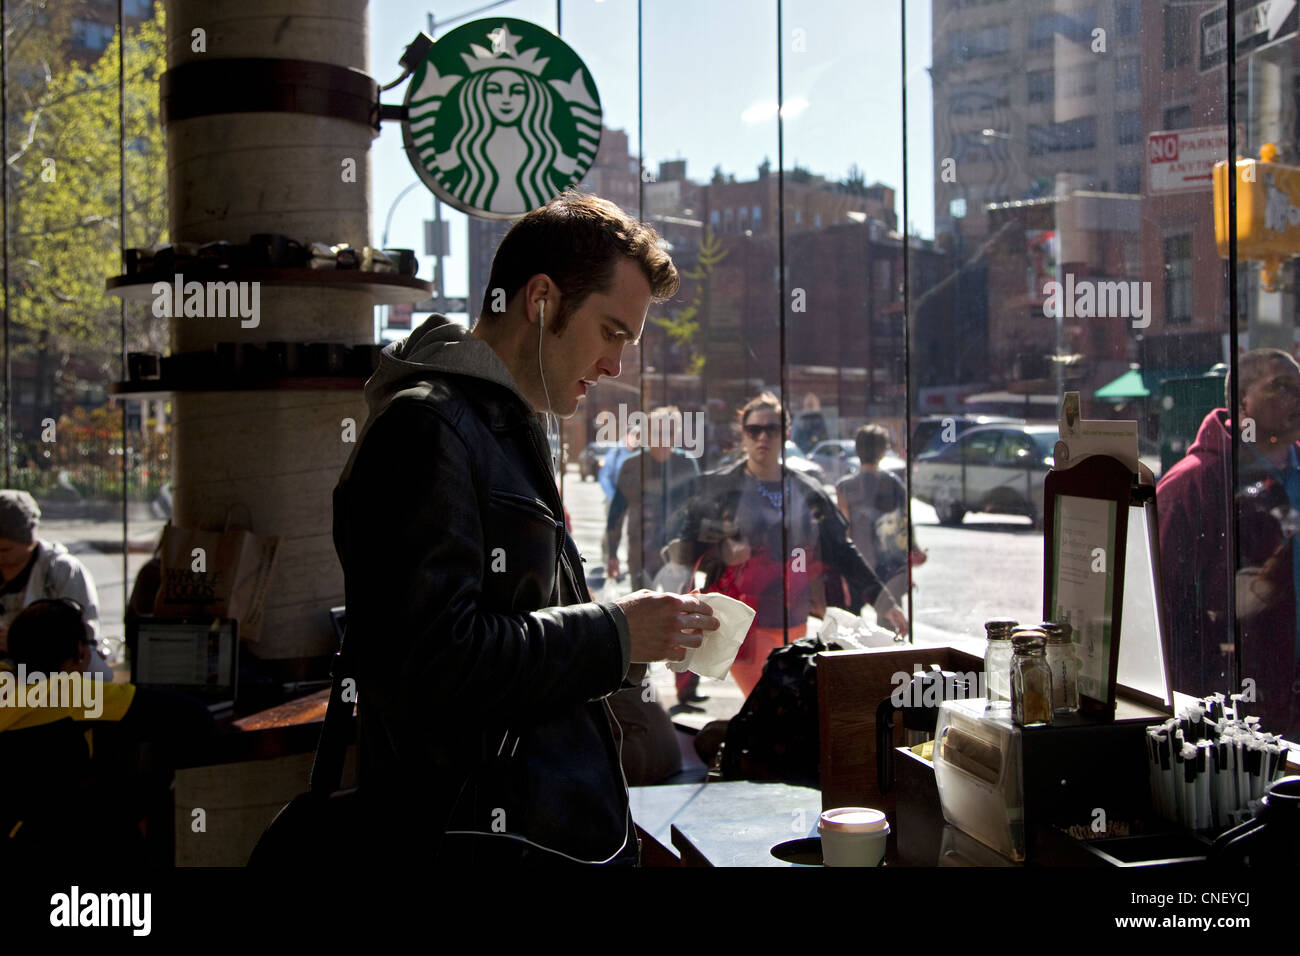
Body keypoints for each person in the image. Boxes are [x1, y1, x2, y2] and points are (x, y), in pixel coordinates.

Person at [333, 190, 720, 867]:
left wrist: (632, 639)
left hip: (525, 834)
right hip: (473, 843)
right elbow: (431, 665)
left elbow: (514, 632)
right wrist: (615, 631)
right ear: (540, 301)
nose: (616, 366)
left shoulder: (501, 429)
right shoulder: (428, 428)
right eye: (611, 332)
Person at [679, 393, 908, 697]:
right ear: (743, 435)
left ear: (785, 434)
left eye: (772, 429)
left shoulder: (807, 489)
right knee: (765, 702)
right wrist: (721, 554)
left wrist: (884, 600)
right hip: (739, 618)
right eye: (754, 430)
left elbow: (841, 548)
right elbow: (684, 551)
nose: (763, 437)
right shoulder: (718, 487)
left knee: (778, 708)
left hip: (792, 617)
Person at [1158, 349, 1300, 738]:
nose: (1296, 396)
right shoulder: (1191, 486)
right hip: (1239, 718)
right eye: (1280, 387)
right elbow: (1166, 611)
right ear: (1241, 402)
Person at [605, 406, 703, 707]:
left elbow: (698, 513)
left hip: (678, 556)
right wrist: (611, 554)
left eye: (668, 431)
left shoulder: (687, 465)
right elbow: (616, 512)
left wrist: (698, 552)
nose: (662, 437)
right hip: (641, 553)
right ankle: (637, 687)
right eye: (656, 431)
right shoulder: (632, 467)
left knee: (687, 618)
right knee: (640, 618)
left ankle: (686, 689)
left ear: (676, 434)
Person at [0, 490, 105, 674]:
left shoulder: (63, 572)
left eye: (5, 550)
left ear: (29, 542)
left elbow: (83, 643)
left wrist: (19, 643)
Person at [836, 424, 923, 616]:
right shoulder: (894, 484)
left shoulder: (844, 487)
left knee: (852, 626)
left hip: (857, 564)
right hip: (888, 566)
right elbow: (904, 525)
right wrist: (913, 551)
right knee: (890, 627)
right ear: (883, 451)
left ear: (857, 450)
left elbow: (845, 531)